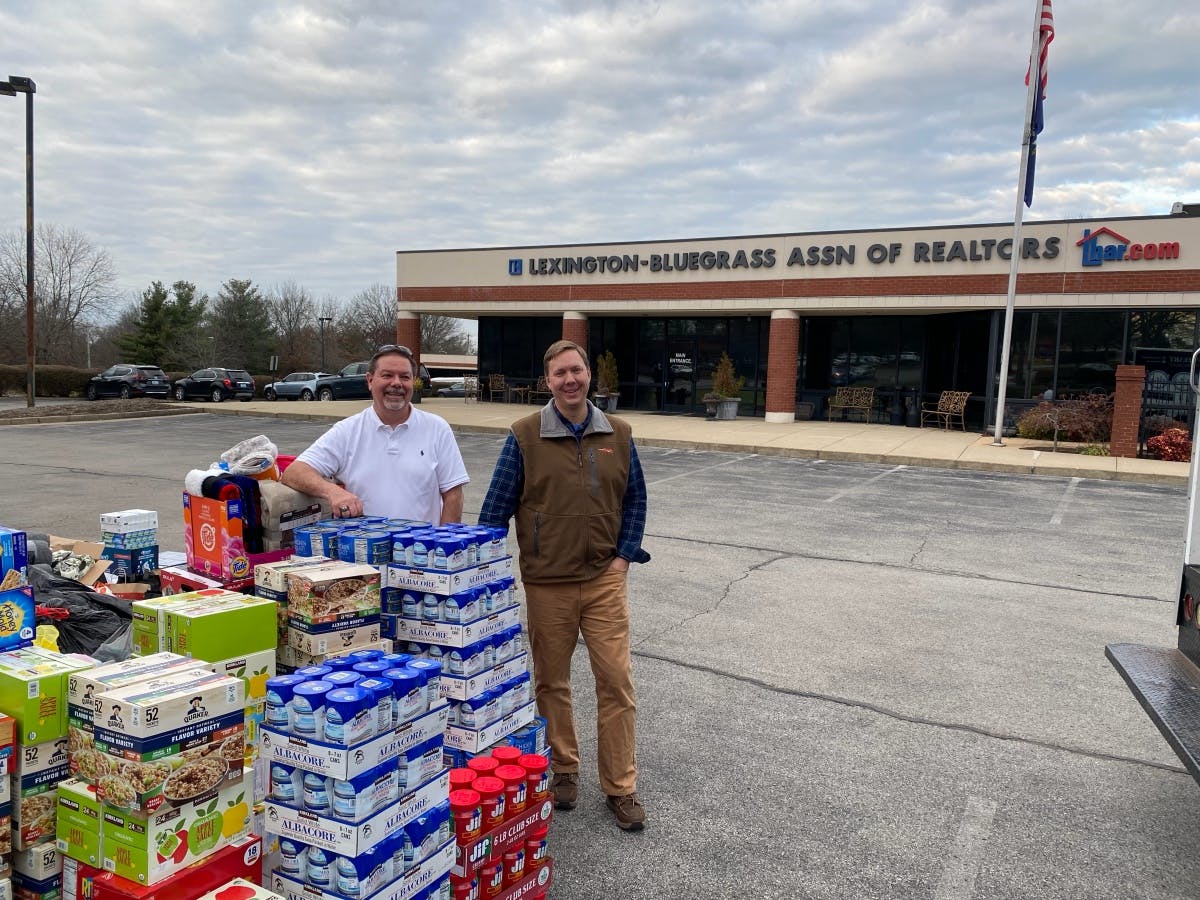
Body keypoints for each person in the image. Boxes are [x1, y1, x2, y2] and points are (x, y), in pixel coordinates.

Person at [477, 339, 651, 831]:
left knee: (616, 682)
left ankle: (621, 787)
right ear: (547, 381)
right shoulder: (524, 435)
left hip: (603, 581)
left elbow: (635, 500)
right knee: (551, 682)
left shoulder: (618, 431)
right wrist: (482, 578)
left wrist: (622, 557)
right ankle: (564, 769)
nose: (569, 380)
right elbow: (494, 512)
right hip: (546, 584)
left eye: (576, 371)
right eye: (559, 374)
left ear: (588, 374)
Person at [282, 344, 469, 524]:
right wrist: (332, 491)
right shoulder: (347, 431)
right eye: (387, 375)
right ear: (370, 380)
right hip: (364, 552)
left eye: (405, 377)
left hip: (420, 553)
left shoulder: (437, 428)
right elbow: (294, 473)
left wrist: (443, 548)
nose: (396, 383)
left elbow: (453, 494)